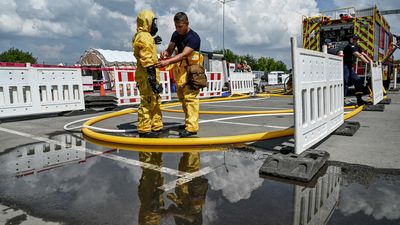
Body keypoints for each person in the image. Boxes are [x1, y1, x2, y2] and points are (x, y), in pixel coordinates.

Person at [156, 12, 203, 138]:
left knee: (191, 99)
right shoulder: (176, 34)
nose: (178, 29)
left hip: (192, 72)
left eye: (180, 26)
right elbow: (170, 49)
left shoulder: (194, 37)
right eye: (176, 26)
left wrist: (168, 61)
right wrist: (165, 53)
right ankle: (189, 122)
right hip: (180, 72)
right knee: (183, 99)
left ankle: (192, 127)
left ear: (187, 24)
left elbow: (183, 55)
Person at [132, 10, 164, 138]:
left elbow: (145, 48)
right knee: (147, 100)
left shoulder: (145, 36)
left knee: (155, 100)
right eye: (153, 22)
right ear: (147, 22)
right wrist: (152, 79)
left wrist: (153, 41)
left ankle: (156, 125)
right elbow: (145, 57)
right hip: (146, 75)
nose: (155, 25)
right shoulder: (144, 36)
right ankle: (144, 129)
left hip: (149, 74)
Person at [343, 34, 371, 106]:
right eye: (354, 39)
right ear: (352, 39)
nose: (356, 40)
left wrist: (371, 61)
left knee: (358, 81)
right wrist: (367, 62)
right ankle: (342, 101)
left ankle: (359, 100)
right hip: (345, 66)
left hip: (350, 67)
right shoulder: (350, 46)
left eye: (357, 39)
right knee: (345, 83)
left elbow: (363, 54)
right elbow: (358, 55)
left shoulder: (357, 46)